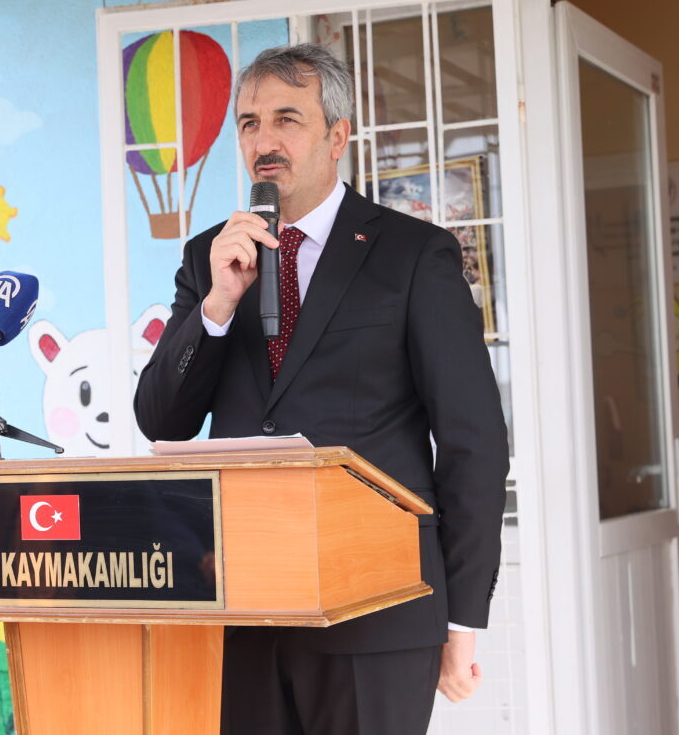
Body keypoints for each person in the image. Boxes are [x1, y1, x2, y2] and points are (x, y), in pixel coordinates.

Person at [132, 43, 509, 735]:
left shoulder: (413, 254)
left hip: (379, 605)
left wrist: (463, 620)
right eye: (249, 124)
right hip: (245, 606)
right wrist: (217, 304)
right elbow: (162, 419)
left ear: (338, 136)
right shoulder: (211, 255)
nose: (264, 141)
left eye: (287, 119)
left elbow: (472, 442)